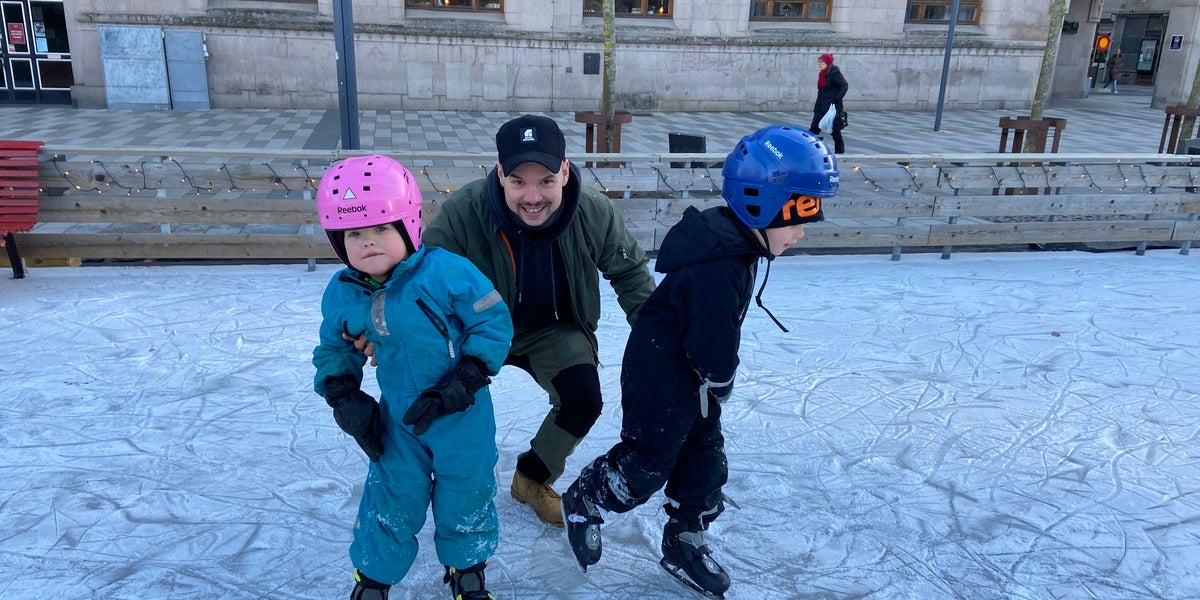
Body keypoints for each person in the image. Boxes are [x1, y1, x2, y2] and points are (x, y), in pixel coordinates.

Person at [560, 125, 838, 598]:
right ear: (761, 203)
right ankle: (586, 498)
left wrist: (712, 382)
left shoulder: (738, 246)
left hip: (694, 377)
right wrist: (721, 378)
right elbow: (711, 340)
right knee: (650, 461)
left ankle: (684, 537)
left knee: (705, 457)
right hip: (661, 374)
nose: (802, 231)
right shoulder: (720, 264)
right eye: (799, 213)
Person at [421, 114, 656, 528]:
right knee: (445, 398)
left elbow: (631, 274)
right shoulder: (465, 211)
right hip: (477, 329)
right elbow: (420, 280)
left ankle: (532, 478)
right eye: (518, 182)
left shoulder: (593, 213)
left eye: (545, 180)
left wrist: (663, 341)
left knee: (582, 400)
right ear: (499, 174)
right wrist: (384, 331)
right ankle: (441, 478)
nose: (533, 196)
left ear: (565, 171)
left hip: (553, 328)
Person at [311, 155, 514, 600]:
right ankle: (374, 577)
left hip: (462, 410)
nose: (368, 243)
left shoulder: (447, 272)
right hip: (399, 416)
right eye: (354, 234)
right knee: (392, 493)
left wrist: (469, 374)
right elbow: (334, 348)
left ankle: (467, 569)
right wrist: (342, 392)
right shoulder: (343, 292)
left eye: (382, 228)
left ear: (409, 225)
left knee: (467, 487)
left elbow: (493, 322)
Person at [808, 52, 849, 154]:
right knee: (814, 129)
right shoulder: (823, 73)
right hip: (821, 107)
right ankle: (809, 150)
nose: (819, 64)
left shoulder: (834, 73)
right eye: (819, 61)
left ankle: (840, 153)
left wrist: (836, 99)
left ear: (827, 62)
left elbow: (844, 86)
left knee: (835, 131)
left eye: (822, 61)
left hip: (831, 107)